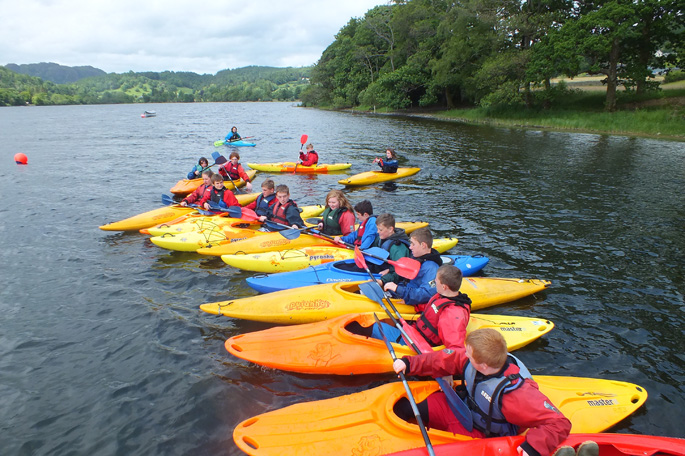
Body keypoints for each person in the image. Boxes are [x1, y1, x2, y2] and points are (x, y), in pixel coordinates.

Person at [392, 328, 572, 456]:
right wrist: (409, 363)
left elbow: (559, 423)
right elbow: (445, 358)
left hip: (484, 436)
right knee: (404, 408)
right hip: (461, 409)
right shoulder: (478, 360)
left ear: (483, 365)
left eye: (469, 354)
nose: (465, 355)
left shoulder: (516, 394)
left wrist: (534, 447)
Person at [350, 265, 472, 356]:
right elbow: (431, 307)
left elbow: (456, 348)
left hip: (417, 345)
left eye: (436, 281)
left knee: (370, 326)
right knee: (383, 319)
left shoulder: (452, 314)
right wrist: (415, 306)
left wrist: (447, 371)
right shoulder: (442, 295)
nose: (434, 283)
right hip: (414, 331)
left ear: (444, 286)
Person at [383, 226, 442, 306]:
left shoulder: (431, 268)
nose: (410, 247)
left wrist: (398, 289)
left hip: (412, 301)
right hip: (405, 292)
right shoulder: (417, 258)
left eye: (413, 244)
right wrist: (389, 271)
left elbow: (427, 294)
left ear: (423, 245)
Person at [373, 213, 411, 285]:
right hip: (380, 268)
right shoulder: (380, 239)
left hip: (390, 278)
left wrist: (383, 281)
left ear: (390, 229)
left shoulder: (398, 248)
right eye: (377, 229)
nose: (378, 232)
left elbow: (400, 273)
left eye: (380, 230)